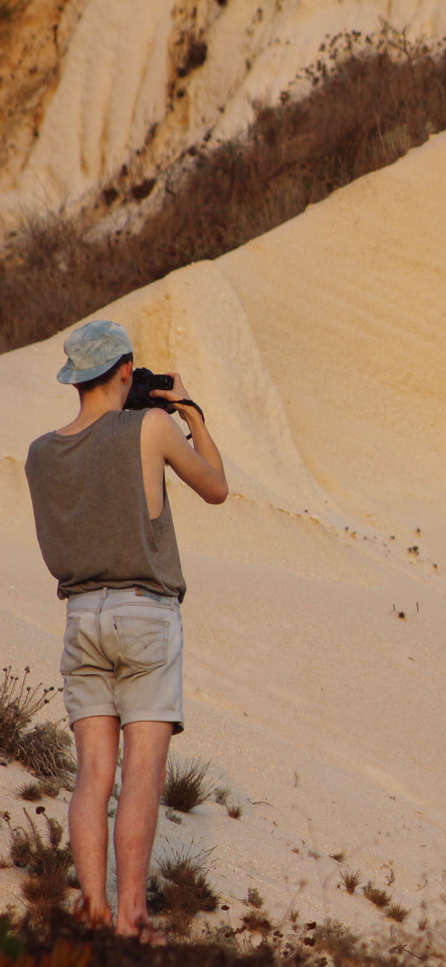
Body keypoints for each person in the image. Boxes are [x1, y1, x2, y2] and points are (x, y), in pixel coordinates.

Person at [24, 319, 228, 939]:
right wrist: (191, 412)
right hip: (144, 613)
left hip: (80, 616)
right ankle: (132, 916)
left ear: (74, 379)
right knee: (141, 771)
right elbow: (216, 488)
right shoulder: (151, 427)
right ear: (123, 371)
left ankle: (93, 908)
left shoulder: (40, 452)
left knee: (92, 774)